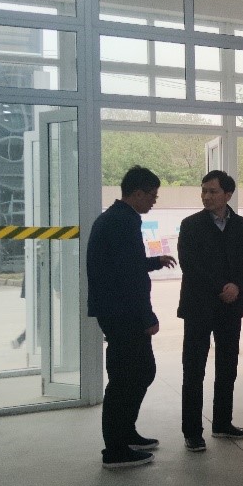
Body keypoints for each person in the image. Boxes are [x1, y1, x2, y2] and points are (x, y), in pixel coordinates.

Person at [87, 166, 177, 469]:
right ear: (137, 193)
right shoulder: (123, 221)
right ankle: (115, 450)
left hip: (116, 310)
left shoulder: (116, 218)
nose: (154, 201)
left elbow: (126, 263)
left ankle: (125, 433)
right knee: (126, 379)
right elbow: (129, 276)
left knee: (140, 372)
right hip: (123, 312)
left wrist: (154, 261)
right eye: (152, 195)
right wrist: (147, 316)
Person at [177, 170, 243, 453]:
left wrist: (237, 285)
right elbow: (190, 264)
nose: (206, 196)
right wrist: (222, 286)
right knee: (194, 369)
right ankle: (192, 432)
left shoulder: (242, 226)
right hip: (199, 307)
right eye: (204, 191)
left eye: (212, 191)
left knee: (227, 367)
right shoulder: (191, 225)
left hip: (230, 308)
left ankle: (223, 423)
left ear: (228, 195)